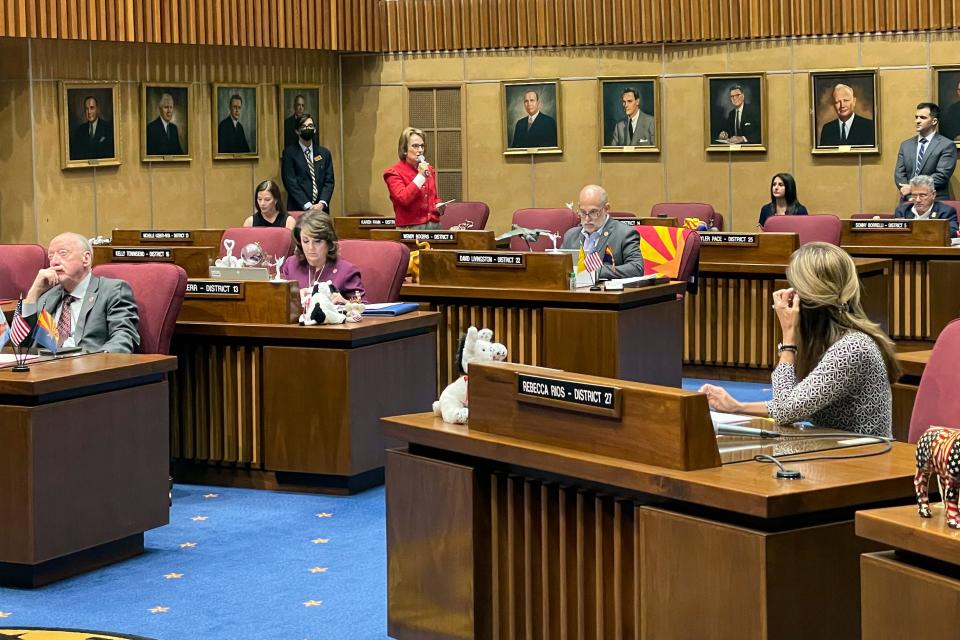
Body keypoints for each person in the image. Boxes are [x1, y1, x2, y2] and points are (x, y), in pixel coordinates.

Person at [699, 242, 899, 437]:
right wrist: (737, 407)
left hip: (865, 459)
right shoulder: (825, 340)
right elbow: (796, 402)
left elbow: (786, 411)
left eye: (793, 287)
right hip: (836, 451)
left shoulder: (852, 347)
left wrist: (788, 340)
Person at [23, 232, 139, 353]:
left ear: (86, 258)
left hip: (89, 366)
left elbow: (124, 338)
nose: (54, 262)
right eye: (51, 256)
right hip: (46, 367)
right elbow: (22, 348)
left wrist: (97, 362)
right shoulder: (47, 297)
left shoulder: (112, 290)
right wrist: (34, 292)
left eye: (63, 253)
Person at [560, 184, 644, 279]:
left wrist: (594, 272)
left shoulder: (624, 233)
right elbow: (559, 267)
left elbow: (636, 268)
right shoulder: (571, 235)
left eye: (593, 212)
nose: (587, 219)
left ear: (606, 208)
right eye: (583, 212)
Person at [279, 211, 366, 302]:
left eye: (317, 241)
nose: (310, 248)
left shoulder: (347, 271)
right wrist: (293, 297)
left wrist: (345, 303)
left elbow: (364, 309)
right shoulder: (291, 264)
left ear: (329, 242)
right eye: (305, 241)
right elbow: (277, 299)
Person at [383, 127, 445, 229]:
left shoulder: (429, 169)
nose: (420, 150)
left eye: (422, 146)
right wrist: (420, 176)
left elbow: (433, 197)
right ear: (404, 150)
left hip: (434, 225)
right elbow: (403, 199)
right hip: (411, 228)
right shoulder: (393, 173)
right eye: (415, 146)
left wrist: (438, 205)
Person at [893, 102, 956, 201]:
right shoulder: (906, 145)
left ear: (934, 121)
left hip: (935, 201)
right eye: (916, 117)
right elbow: (899, 174)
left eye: (922, 117)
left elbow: (941, 176)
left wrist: (913, 188)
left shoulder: (947, 145)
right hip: (908, 201)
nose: (917, 121)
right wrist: (909, 195)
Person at [281, 113, 334, 213]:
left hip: (321, 210)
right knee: (298, 230)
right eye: (303, 126)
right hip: (299, 209)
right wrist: (308, 206)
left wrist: (322, 203)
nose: (307, 128)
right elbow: (290, 183)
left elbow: (329, 181)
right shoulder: (289, 153)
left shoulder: (324, 153)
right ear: (297, 131)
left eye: (310, 126)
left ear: (315, 129)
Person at [893, 174, 958, 236]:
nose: (918, 200)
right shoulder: (902, 211)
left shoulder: (946, 212)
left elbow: (952, 233)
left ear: (933, 194)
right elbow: (896, 234)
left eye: (922, 195)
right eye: (914, 195)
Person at [70, 96, 115, 160]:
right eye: (86, 109)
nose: (89, 112)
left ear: (97, 109)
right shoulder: (80, 130)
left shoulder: (107, 128)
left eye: (92, 108)